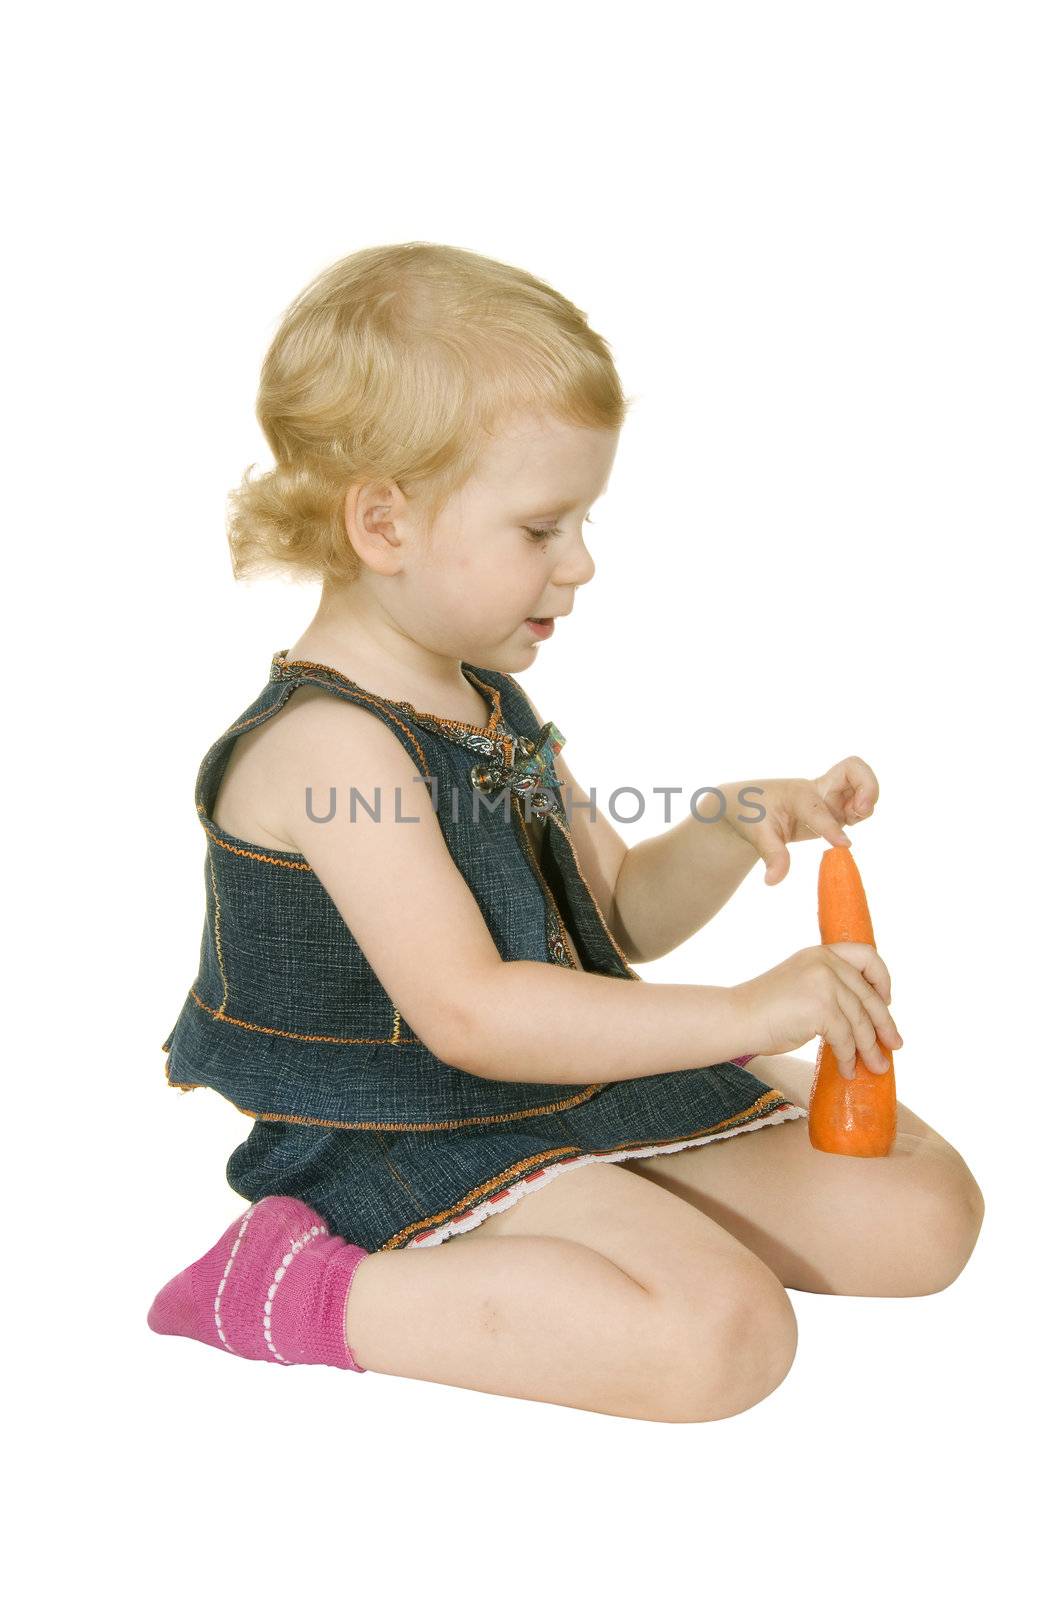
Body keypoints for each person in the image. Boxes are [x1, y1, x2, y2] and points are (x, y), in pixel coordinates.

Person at [146, 241, 983, 1423]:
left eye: (581, 521)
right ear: (383, 523)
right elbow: (474, 1015)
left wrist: (729, 827)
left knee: (923, 1215)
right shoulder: (332, 748)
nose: (580, 564)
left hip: (558, 1085)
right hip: (398, 1123)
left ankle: (614, 1213)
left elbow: (621, 913)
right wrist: (748, 1013)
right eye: (542, 528)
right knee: (722, 1339)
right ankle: (300, 1288)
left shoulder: (489, 701)